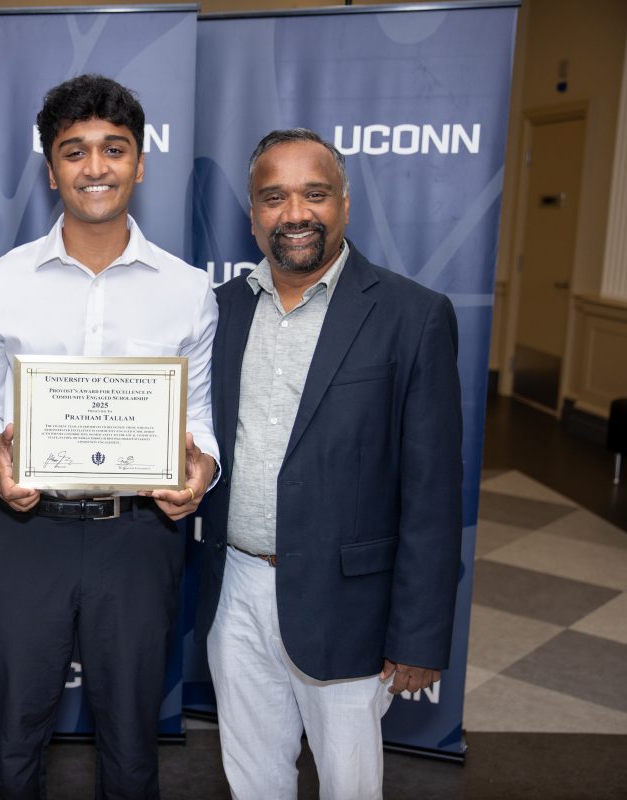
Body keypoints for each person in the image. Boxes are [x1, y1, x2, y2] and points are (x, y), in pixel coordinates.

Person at [0, 74, 219, 799]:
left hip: (137, 538)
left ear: (139, 161)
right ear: (51, 169)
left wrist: (200, 473)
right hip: (22, 530)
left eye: (113, 149)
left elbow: (197, 420)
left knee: (133, 743)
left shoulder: (188, 288)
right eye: (74, 151)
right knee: (12, 737)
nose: (94, 167)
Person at [196, 128, 463, 799]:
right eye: (274, 197)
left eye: (314, 194)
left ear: (344, 203)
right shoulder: (219, 310)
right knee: (253, 777)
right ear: (253, 214)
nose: (295, 214)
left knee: (350, 785)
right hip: (236, 588)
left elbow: (432, 491)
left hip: (352, 602)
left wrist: (420, 635)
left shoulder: (413, 316)